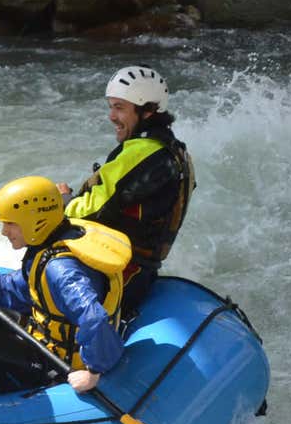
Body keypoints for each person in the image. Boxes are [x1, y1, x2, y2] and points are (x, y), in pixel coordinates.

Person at [0, 175, 130, 395]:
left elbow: (94, 318)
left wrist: (92, 371)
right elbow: (16, 290)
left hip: (56, 362)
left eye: (10, 224)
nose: (4, 231)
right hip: (43, 333)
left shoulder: (61, 271)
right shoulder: (54, 241)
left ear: (34, 221)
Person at [60, 65, 194, 316]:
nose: (111, 116)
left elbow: (92, 211)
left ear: (148, 111)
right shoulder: (176, 149)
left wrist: (63, 200)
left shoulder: (142, 152)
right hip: (141, 271)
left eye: (119, 107)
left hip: (119, 275)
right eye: (111, 106)